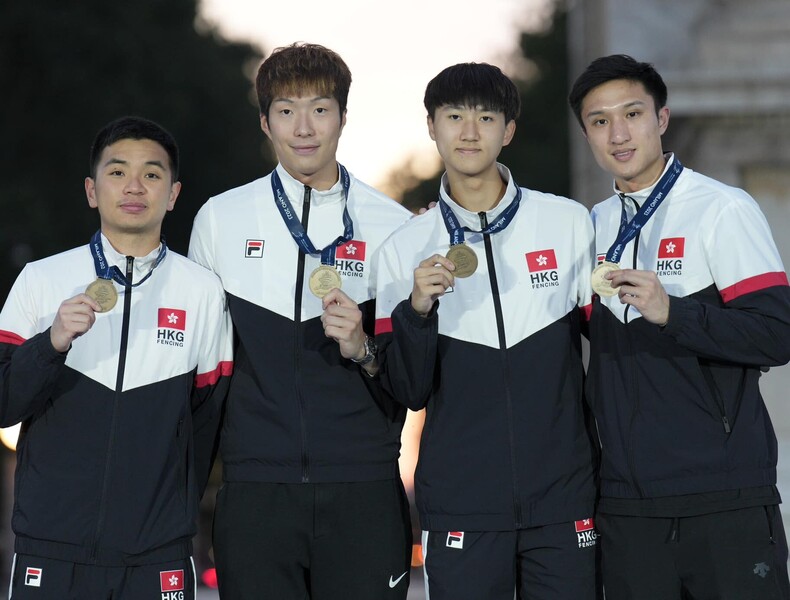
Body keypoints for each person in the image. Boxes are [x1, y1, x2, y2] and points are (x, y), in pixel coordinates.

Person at [188, 42, 413, 599]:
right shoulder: (221, 219)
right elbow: (198, 371)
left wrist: (363, 348)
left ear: (343, 116)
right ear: (266, 122)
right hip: (255, 491)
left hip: (363, 489)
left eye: (320, 108)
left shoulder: (393, 226)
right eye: (287, 110)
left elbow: (415, 374)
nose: (304, 126)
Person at [374, 62, 600, 600]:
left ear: (509, 130)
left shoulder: (568, 223)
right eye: (454, 116)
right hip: (462, 506)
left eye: (486, 117)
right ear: (432, 126)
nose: (469, 132)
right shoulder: (403, 249)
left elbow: (611, 353)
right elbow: (406, 389)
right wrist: (417, 310)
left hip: (564, 499)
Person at [568, 53, 790, 599]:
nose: (618, 134)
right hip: (626, 507)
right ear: (587, 135)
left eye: (632, 114)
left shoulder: (721, 208)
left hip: (723, 498)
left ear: (661, 120)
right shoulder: (587, 227)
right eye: (600, 122)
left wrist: (676, 313)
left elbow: (776, 333)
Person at [0, 116, 233, 599]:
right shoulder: (41, 280)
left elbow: (207, 423)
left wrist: (173, 512)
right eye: (117, 171)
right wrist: (52, 342)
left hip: (157, 553)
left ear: (172, 194)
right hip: (51, 547)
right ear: (91, 189)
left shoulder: (202, 291)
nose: (133, 186)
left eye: (151, 174)